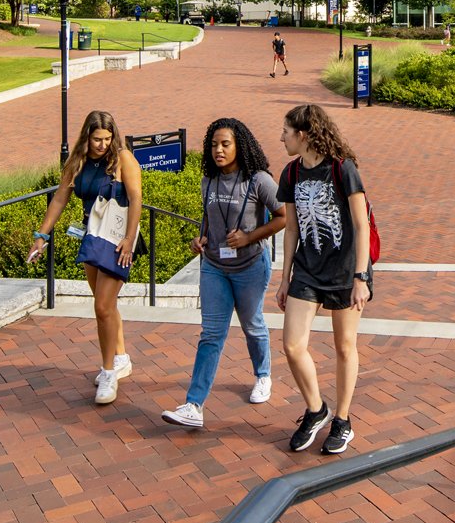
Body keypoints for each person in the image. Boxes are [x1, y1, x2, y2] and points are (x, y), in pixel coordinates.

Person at [162, 119, 285, 429]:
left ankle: (263, 375)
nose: (218, 150)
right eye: (214, 145)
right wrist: (201, 238)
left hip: (250, 267)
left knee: (252, 324)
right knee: (211, 335)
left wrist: (249, 237)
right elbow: (209, 216)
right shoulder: (209, 180)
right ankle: (194, 405)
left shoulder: (258, 180)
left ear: (239, 146)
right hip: (214, 267)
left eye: (225, 144)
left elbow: (284, 216)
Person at [276, 103, 371, 455]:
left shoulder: (342, 169)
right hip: (307, 269)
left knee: (344, 345)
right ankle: (316, 409)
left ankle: (342, 420)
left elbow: (361, 225)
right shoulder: (291, 173)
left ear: (303, 135)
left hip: (345, 271)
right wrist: (285, 278)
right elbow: (291, 229)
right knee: (292, 345)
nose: (282, 138)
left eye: (286, 132)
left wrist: (361, 276)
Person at [28, 110, 141, 405]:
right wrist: (41, 236)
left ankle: (108, 372)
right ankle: (121, 357)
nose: (103, 145)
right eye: (97, 139)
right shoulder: (77, 161)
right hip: (92, 237)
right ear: (87, 138)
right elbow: (60, 198)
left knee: (102, 307)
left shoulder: (123, 159)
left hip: (117, 239)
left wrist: (129, 240)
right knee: (106, 306)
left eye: (107, 138)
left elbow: (136, 198)